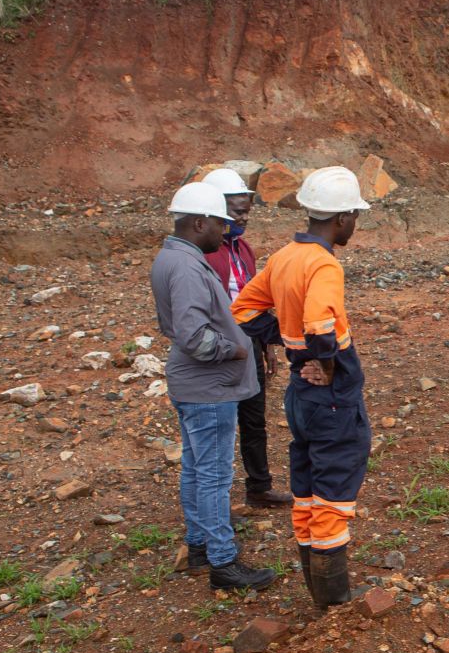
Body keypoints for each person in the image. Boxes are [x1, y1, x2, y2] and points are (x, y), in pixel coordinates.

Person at [232, 166, 372, 607]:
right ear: (343, 217)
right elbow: (320, 323)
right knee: (333, 488)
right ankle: (333, 598)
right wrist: (324, 362)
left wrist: (290, 344)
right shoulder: (324, 264)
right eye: (355, 216)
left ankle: (318, 588)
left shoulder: (283, 256)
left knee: (308, 486)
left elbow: (244, 311)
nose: (355, 224)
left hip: (300, 394)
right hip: (329, 397)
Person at [148, 182, 278, 591]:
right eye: (218, 225)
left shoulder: (172, 258)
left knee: (196, 469)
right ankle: (223, 562)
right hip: (209, 386)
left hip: (195, 384)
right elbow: (193, 335)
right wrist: (235, 350)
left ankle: (200, 547)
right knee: (214, 476)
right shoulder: (187, 266)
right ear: (198, 222)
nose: (224, 234)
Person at [199, 167, 291, 509]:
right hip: (219, 347)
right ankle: (215, 501)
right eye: (238, 211)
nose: (244, 217)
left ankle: (259, 487)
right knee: (219, 423)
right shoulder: (205, 253)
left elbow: (256, 301)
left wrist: (267, 347)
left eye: (247, 210)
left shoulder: (244, 249)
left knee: (254, 418)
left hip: (249, 341)